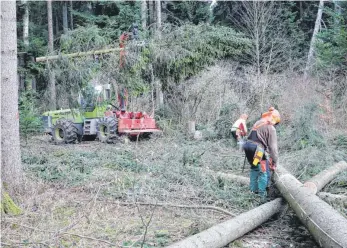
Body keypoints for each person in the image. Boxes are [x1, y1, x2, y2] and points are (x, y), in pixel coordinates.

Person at [243, 107, 280, 202]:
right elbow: (273, 148)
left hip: (248, 147)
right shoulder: (271, 128)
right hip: (258, 150)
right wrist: (275, 161)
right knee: (263, 172)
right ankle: (261, 196)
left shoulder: (258, 123)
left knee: (255, 167)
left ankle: (252, 191)